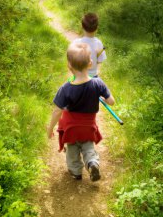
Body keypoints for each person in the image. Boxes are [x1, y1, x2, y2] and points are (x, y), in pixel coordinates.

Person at [47, 42, 115, 181]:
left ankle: (76, 172)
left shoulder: (65, 88)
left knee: (72, 151)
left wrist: (50, 128)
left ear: (69, 65)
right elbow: (111, 101)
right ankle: (92, 163)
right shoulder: (98, 83)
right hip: (88, 127)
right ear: (90, 63)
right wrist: (102, 96)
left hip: (71, 128)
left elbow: (57, 111)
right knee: (88, 148)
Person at [73, 12, 106, 77]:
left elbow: (73, 60)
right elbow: (100, 60)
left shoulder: (76, 42)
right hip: (94, 76)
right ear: (97, 28)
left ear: (82, 26)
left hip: (79, 76)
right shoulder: (98, 43)